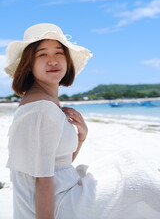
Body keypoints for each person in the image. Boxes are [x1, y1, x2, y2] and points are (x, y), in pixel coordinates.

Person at [5, 23, 160, 219]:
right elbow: (42, 180)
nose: (52, 61)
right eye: (42, 54)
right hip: (58, 205)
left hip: (62, 191)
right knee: (139, 179)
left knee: (129, 162)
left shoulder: (45, 101)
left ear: (67, 60)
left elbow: (58, 164)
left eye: (59, 53)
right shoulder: (41, 108)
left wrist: (81, 137)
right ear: (29, 65)